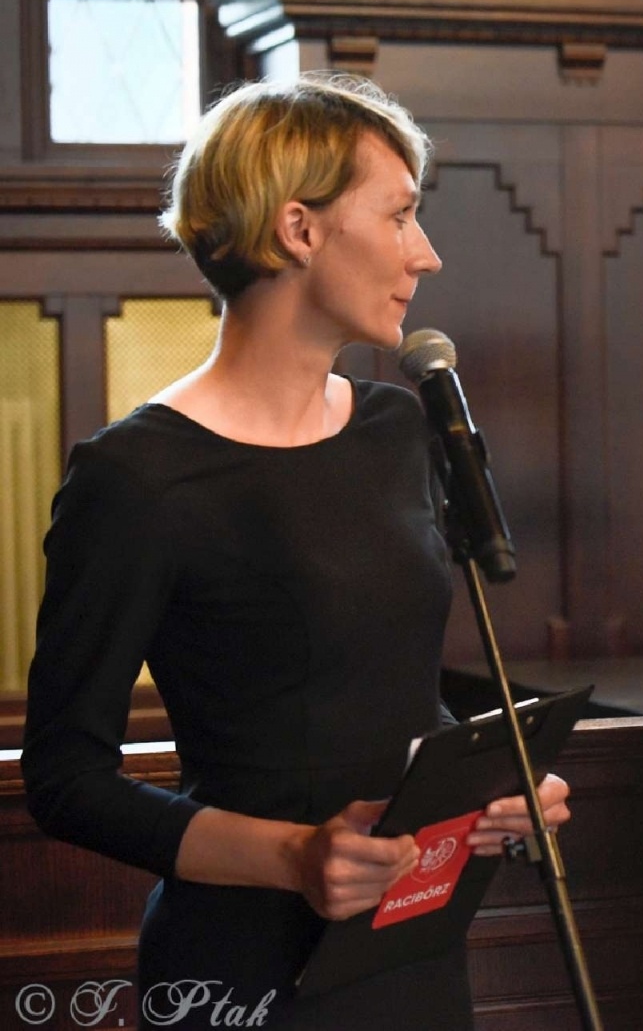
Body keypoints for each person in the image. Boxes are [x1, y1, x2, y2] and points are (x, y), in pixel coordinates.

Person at [22, 74, 571, 1030]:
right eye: (400, 215)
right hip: (240, 964)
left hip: (409, 943)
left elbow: (385, 682)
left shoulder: (398, 426)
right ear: (299, 229)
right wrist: (292, 856)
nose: (427, 253)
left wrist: (486, 789)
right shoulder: (134, 477)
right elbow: (65, 780)